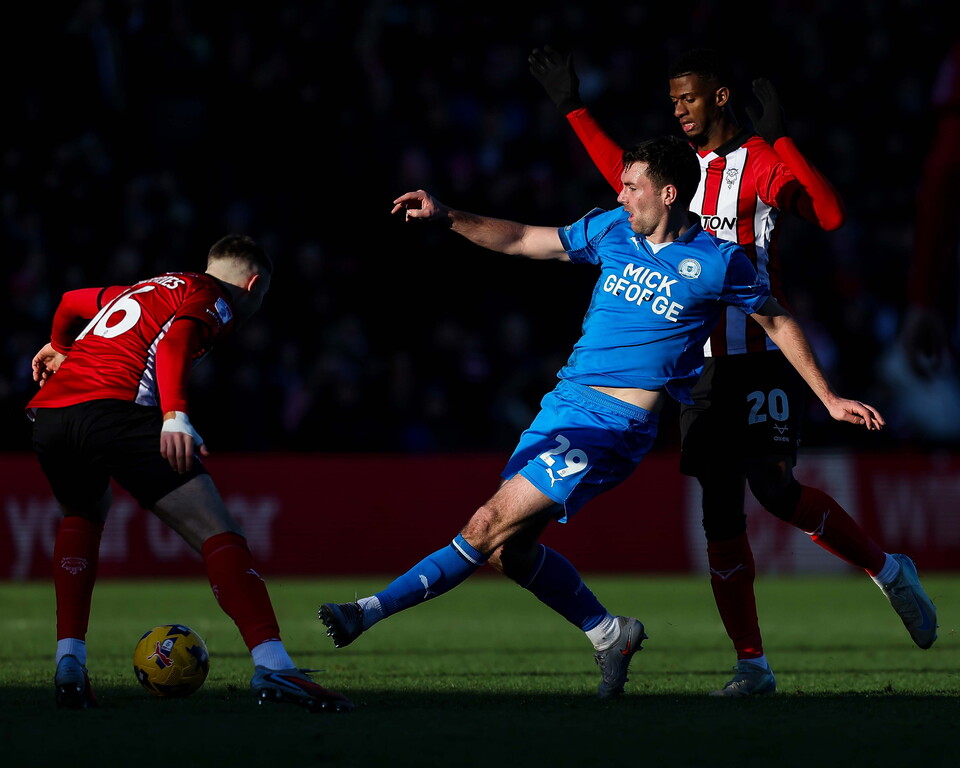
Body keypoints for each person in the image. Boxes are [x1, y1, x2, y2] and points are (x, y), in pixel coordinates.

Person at [319, 136, 883, 700]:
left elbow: (777, 320)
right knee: (507, 552)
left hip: (614, 426)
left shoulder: (717, 262)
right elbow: (520, 239)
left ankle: (365, 613)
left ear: (667, 193)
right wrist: (447, 216)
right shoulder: (613, 229)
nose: (621, 193)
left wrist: (828, 397)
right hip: (562, 407)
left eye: (632, 186)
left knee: (485, 524)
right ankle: (609, 633)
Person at [528, 45, 939, 695]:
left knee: (775, 491)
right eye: (672, 100)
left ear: (719, 97)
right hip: (698, 366)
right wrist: (572, 107)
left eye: (688, 98)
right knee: (720, 513)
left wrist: (780, 136)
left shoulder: (760, 163)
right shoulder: (678, 171)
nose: (678, 110)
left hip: (765, 354)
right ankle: (752, 665)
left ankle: (889, 572)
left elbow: (829, 216)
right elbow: (620, 178)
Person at [27, 234, 352, 713]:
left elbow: (69, 301)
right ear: (254, 284)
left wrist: (59, 347)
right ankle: (275, 666)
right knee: (219, 531)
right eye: (262, 295)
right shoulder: (213, 299)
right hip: (116, 411)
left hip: (50, 416)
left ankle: (69, 663)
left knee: (84, 516)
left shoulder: (143, 288)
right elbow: (175, 342)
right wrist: (174, 414)